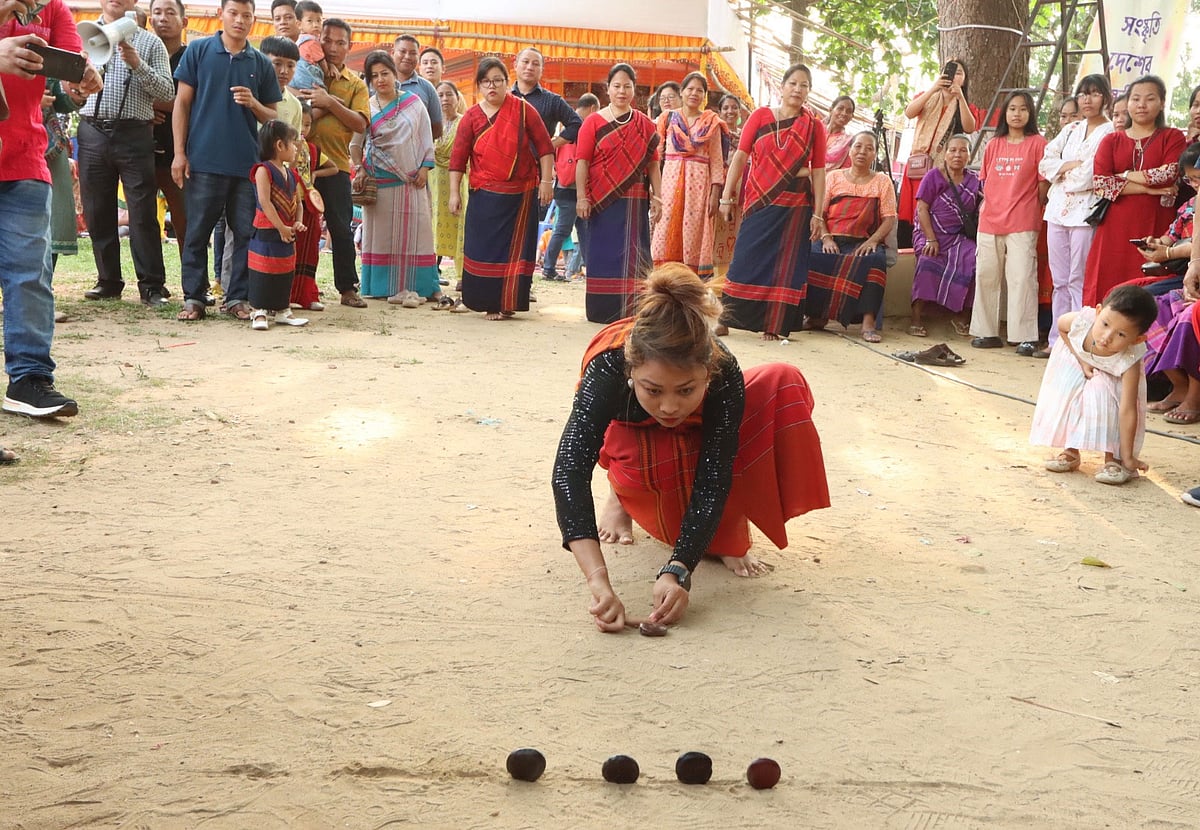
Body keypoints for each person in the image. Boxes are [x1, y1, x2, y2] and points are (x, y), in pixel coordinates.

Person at [551, 264, 830, 630]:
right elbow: (569, 470)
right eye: (653, 389)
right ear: (632, 373)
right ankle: (619, 496)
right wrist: (598, 581)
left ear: (708, 373)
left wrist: (678, 569)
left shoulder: (723, 368)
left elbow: (715, 475)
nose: (669, 406)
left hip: (693, 433)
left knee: (781, 381)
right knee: (656, 457)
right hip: (628, 434)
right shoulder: (608, 368)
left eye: (686, 390)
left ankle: (724, 530)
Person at [0, 0, 100, 425]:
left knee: (30, 275)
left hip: (23, 156)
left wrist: (81, 79)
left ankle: (30, 380)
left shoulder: (54, 9)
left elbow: (68, 66)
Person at [172, 0, 283, 322]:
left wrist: (254, 104)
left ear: (253, 20)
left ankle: (238, 298)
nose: (240, 20)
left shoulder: (260, 62)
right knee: (196, 232)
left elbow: (273, 115)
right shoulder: (199, 51)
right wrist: (180, 153)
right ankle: (194, 298)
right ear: (221, 15)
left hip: (246, 165)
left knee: (246, 233)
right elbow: (182, 103)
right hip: (203, 160)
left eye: (247, 15)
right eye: (234, 13)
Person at [76, 0, 175, 306]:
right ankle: (108, 281)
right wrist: (71, 88)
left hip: (134, 132)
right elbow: (70, 85)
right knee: (96, 209)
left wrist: (137, 64)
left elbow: (168, 92)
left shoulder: (150, 42)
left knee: (143, 211)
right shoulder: (82, 36)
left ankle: (152, 286)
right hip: (92, 129)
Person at [718, 62, 826, 341]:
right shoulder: (760, 116)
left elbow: (819, 171)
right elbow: (740, 157)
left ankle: (774, 323)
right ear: (782, 87)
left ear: (809, 91)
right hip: (759, 199)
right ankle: (725, 317)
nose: (798, 89)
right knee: (745, 257)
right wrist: (726, 197)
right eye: (793, 83)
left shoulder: (813, 126)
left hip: (795, 206)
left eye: (804, 85)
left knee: (785, 266)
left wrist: (818, 215)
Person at [448, 57, 554, 320]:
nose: (491, 86)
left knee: (515, 251)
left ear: (507, 83)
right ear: (479, 86)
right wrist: (453, 193)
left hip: (520, 195)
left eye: (497, 80)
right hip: (484, 194)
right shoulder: (471, 117)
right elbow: (458, 159)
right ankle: (488, 303)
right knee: (483, 248)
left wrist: (546, 181)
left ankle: (509, 302)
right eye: (486, 82)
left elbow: (545, 148)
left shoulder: (524, 110)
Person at [1029, 284, 1156, 485]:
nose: (1107, 337)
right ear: (1098, 312)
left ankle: (1114, 459)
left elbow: (1127, 409)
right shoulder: (1082, 322)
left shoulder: (1129, 358)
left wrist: (1129, 456)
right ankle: (1070, 450)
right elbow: (1062, 327)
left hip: (1111, 379)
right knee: (1069, 393)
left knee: (1105, 398)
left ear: (1137, 339)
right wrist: (1081, 359)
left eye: (1121, 334)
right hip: (1077, 362)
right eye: (1105, 324)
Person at [1084, 75, 1186, 307]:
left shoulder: (1172, 136)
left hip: (1157, 223)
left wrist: (1123, 176)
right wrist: (1150, 190)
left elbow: (1168, 173)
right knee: (1107, 280)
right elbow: (1101, 184)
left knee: (1148, 280)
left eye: (1150, 99)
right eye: (1136, 98)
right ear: (1127, 103)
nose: (1141, 105)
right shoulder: (1111, 140)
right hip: (1114, 226)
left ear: (1161, 103)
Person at [576, 63, 662, 324]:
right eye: (616, 86)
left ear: (635, 90)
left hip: (635, 201)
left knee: (636, 254)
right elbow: (582, 162)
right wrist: (582, 196)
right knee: (602, 253)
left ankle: (634, 310)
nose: (621, 91)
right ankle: (602, 310)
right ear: (608, 89)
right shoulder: (593, 121)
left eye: (627, 86)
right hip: (602, 202)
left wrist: (658, 197)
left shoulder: (645, 125)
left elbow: (653, 164)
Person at [351, 51, 439, 307]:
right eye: (374, 76)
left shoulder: (413, 103)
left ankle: (421, 285)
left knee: (417, 234)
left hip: (411, 182)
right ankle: (380, 287)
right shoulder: (366, 106)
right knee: (381, 237)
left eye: (385, 73)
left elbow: (425, 138)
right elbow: (355, 144)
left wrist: (424, 168)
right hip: (380, 184)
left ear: (394, 74)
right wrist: (360, 168)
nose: (380, 80)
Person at [1037, 73, 1113, 357]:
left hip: (1084, 213)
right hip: (1057, 210)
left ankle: (1079, 340)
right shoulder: (1070, 129)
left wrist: (1062, 171)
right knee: (1059, 280)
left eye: (1094, 93)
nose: (1087, 99)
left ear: (1104, 97)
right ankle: (1057, 340)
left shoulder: (1109, 132)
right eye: (1083, 93)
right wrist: (1068, 165)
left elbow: (1089, 175)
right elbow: (1046, 163)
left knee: (1079, 278)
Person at [969, 90, 1048, 355]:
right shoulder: (993, 144)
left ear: (1031, 113)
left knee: (1022, 277)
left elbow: (1042, 186)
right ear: (1005, 112)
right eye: (1012, 108)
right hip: (989, 220)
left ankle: (1024, 336)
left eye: (1023, 109)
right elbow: (986, 182)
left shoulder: (1039, 143)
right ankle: (986, 331)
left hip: (1023, 220)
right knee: (985, 275)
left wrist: (1029, 207)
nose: (1017, 114)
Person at [300, 18, 368, 307]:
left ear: (349, 47)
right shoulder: (304, 69)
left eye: (340, 42)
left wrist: (329, 103)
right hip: (299, 163)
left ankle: (347, 288)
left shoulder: (355, 84)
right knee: (301, 226)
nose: (332, 47)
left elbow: (361, 123)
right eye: (327, 40)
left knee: (340, 227)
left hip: (337, 164)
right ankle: (298, 287)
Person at [805, 130, 895, 342]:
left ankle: (868, 322)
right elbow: (820, 214)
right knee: (813, 255)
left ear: (875, 155)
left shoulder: (882, 182)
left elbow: (889, 219)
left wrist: (872, 241)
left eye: (869, 148)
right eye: (858, 146)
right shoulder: (834, 177)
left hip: (863, 241)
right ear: (850, 150)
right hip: (832, 238)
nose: (863, 152)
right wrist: (826, 238)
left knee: (875, 259)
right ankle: (817, 316)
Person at [650, 72, 726, 282]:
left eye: (699, 90)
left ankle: (690, 285)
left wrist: (715, 194)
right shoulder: (667, 119)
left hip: (699, 186)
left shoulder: (712, 123)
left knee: (694, 235)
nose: (694, 93)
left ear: (705, 95)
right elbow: (656, 157)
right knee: (665, 231)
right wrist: (654, 192)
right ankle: (665, 284)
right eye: (690, 89)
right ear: (681, 92)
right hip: (669, 185)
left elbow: (717, 161)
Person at [898, 59, 979, 243]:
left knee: (931, 208)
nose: (953, 75)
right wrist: (934, 88)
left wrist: (960, 98)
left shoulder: (964, 104)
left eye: (959, 73)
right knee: (910, 211)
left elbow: (969, 127)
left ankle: (932, 240)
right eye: (950, 71)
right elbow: (910, 112)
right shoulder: (927, 95)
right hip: (917, 165)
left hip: (942, 170)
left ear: (964, 80)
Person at [909, 133, 980, 337]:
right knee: (927, 258)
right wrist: (930, 238)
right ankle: (916, 316)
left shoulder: (975, 181)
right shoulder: (934, 176)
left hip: (957, 237)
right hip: (929, 231)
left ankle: (961, 316)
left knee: (975, 258)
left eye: (963, 150)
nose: (957, 154)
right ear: (945, 154)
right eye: (953, 150)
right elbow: (922, 209)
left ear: (969, 155)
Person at [247, 120, 308, 330]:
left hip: (287, 230)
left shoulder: (291, 173)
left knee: (285, 269)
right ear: (279, 145)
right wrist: (280, 227)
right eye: (292, 143)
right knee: (262, 268)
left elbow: (298, 202)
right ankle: (258, 311)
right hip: (266, 229)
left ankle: (283, 309)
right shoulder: (263, 170)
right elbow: (264, 202)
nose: (295, 148)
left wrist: (297, 222)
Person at [542, 93, 599, 281]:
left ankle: (590, 268)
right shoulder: (580, 128)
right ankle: (549, 267)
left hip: (566, 186)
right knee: (564, 230)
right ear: (592, 109)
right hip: (570, 189)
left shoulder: (566, 130)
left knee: (583, 231)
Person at [290, 101, 335, 310]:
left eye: (308, 125)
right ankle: (287, 295)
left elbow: (333, 168)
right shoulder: (284, 147)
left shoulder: (313, 150)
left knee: (310, 249)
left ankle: (308, 295)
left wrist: (315, 173)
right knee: (292, 249)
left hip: (309, 204)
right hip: (289, 203)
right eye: (300, 124)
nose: (304, 129)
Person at [150, 0, 187, 251]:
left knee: (185, 217)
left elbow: (191, 104)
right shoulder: (142, 54)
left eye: (170, 12)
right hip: (142, 149)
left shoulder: (193, 57)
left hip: (181, 152)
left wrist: (151, 105)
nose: (163, 18)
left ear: (184, 21)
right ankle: (152, 282)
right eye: (157, 12)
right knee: (144, 220)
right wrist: (145, 111)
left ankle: (194, 282)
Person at [430, 80, 467, 287]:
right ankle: (431, 274)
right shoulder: (431, 124)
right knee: (432, 225)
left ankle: (462, 276)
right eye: (440, 95)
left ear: (457, 97)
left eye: (448, 94)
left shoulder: (465, 122)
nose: (444, 99)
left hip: (458, 182)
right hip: (434, 181)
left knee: (460, 225)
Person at [510, 47, 580, 150]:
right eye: (525, 62)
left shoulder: (552, 101)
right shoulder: (503, 99)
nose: (529, 67)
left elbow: (576, 124)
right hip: (506, 163)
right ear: (515, 65)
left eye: (535, 64)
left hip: (539, 164)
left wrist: (550, 146)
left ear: (542, 70)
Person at [43, 79, 78, 266]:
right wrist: (30, 101)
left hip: (51, 146)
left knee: (54, 216)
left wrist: (77, 96)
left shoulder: (48, 56)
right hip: (12, 140)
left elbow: (57, 100)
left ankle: (44, 283)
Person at [391, 34, 442, 139]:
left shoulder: (427, 88)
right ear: (392, 53)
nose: (407, 57)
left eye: (413, 53)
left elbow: (437, 129)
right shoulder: (376, 83)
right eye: (403, 51)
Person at [259, 36, 302, 134]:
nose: (284, 71)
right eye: (277, 64)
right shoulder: (250, 96)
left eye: (290, 66)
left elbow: (295, 142)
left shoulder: (295, 105)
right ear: (262, 61)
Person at [290, 0, 327, 91]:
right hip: (307, 80)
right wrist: (328, 72)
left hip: (295, 80)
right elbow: (322, 63)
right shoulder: (312, 41)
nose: (315, 25)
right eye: (310, 21)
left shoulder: (300, 40)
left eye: (318, 21)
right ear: (299, 24)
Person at [823, 95, 856, 171]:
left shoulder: (850, 141)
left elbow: (846, 169)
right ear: (831, 110)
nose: (844, 113)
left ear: (852, 117)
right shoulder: (815, 129)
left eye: (849, 111)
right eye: (840, 108)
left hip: (828, 180)